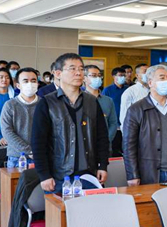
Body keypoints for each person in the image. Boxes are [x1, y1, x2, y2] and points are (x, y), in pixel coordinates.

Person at [31, 53, 110, 193]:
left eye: (81, 69)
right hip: (59, 176)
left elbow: (102, 137)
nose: (78, 73)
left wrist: (103, 165)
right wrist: (44, 175)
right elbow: (38, 142)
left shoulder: (91, 101)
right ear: (58, 73)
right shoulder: (47, 103)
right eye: (72, 68)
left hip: (89, 174)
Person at [123, 65, 167, 185]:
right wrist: (132, 174)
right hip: (149, 171)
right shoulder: (136, 110)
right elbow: (129, 146)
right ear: (150, 83)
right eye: (162, 78)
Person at [0, 68, 39, 167]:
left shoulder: (44, 104)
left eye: (33, 81)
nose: (30, 84)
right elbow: (7, 132)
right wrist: (29, 151)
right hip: (17, 158)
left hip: (41, 156)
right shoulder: (10, 105)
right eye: (25, 81)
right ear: (18, 85)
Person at [84, 65, 118, 147]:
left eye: (99, 75)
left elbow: (113, 123)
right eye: (93, 75)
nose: (98, 78)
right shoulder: (79, 99)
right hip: (85, 145)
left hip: (105, 145)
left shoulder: (108, 100)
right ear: (84, 78)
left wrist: (106, 140)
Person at [103, 67, 128, 156]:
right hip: (115, 125)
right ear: (114, 76)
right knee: (114, 150)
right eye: (120, 75)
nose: (123, 77)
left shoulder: (128, 89)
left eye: (124, 75)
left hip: (126, 124)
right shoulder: (107, 90)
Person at [119, 63, 149, 128]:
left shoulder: (154, 90)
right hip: (138, 129)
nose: (148, 74)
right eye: (145, 71)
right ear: (137, 75)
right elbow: (124, 117)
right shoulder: (130, 92)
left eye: (149, 71)